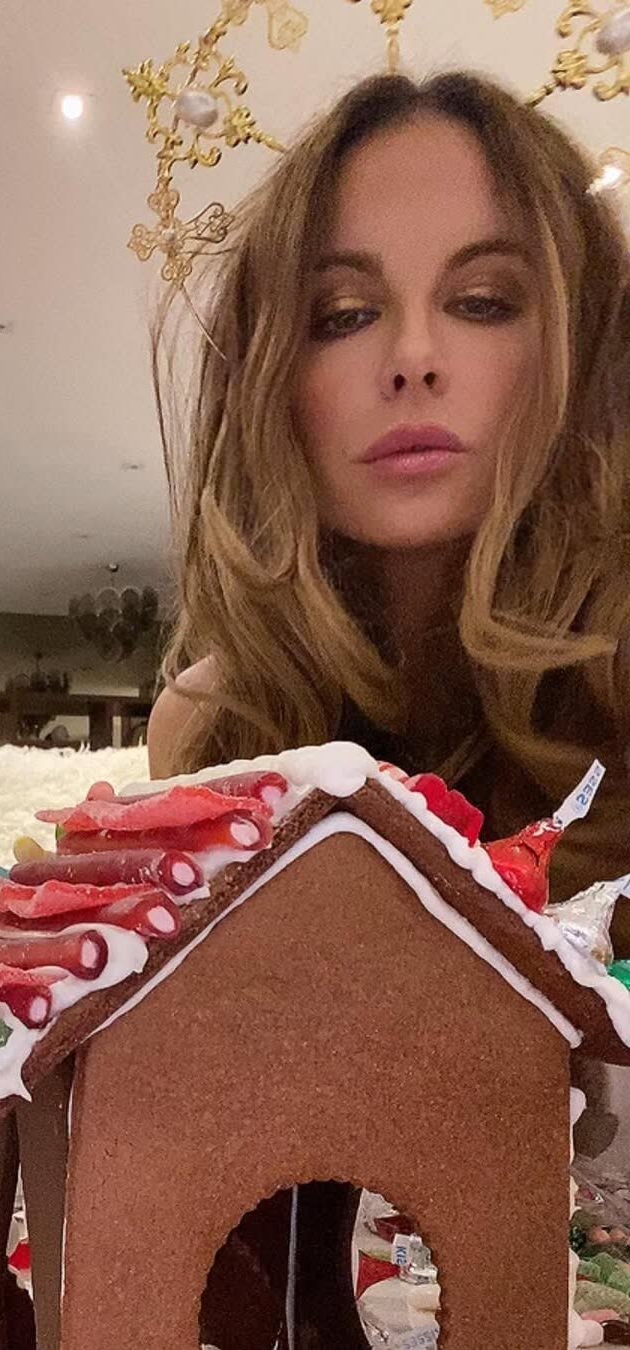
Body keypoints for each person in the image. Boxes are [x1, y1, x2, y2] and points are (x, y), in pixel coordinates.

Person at [147, 71, 630, 936]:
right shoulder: (210, 725)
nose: (413, 357)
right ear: (272, 377)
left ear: (584, 347)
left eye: (483, 303)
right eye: (343, 314)